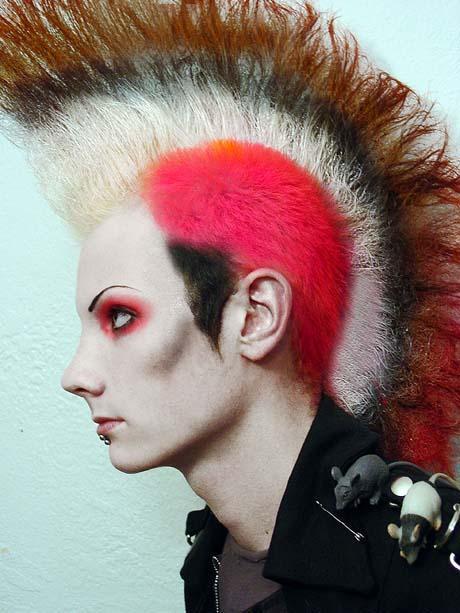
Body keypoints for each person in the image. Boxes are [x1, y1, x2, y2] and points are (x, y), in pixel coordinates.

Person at [1, 0, 459, 611]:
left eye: (120, 317)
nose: (75, 376)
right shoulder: (211, 563)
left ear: (256, 316)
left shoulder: (429, 567)